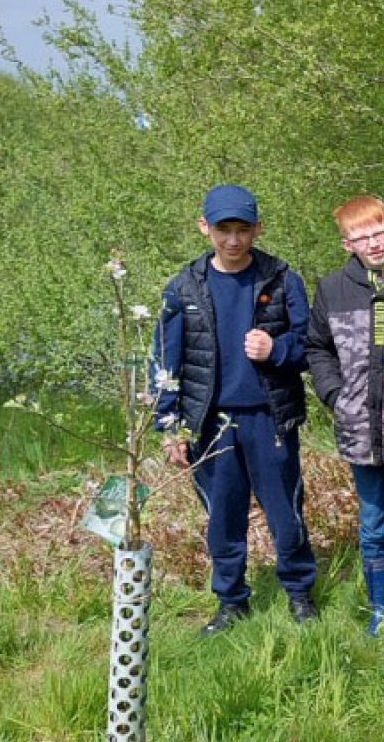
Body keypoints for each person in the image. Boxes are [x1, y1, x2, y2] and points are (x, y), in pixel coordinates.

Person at [152, 183, 316, 635]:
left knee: (286, 513)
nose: (233, 240)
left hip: (269, 417)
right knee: (223, 517)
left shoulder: (282, 279)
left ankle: (300, 594)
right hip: (210, 423)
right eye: (223, 229)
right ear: (204, 227)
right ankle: (231, 602)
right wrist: (170, 426)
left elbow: (310, 345)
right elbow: (165, 361)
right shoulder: (182, 287)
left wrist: (276, 348)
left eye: (242, 230)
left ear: (257, 229)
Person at [305, 195, 384, 635]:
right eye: (362, 237)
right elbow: (316, 346)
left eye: (379, 233)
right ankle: (380, 609)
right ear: (347, 244)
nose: (373, 244)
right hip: (359, 427)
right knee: (374, 523)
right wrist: (334, 394)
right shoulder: (333, 290)